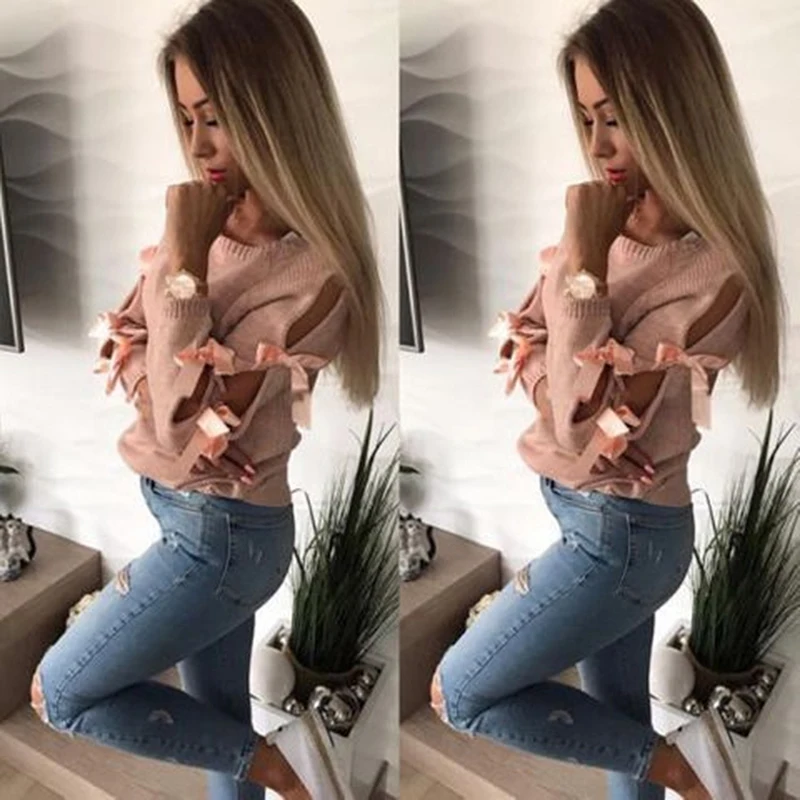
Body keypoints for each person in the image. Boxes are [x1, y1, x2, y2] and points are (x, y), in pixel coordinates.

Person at [429, 1, 784, 799]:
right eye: (588, 118)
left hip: (623, 536)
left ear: (675, 112)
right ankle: (664, 768)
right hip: (590, 516)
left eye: (616, 118)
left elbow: (578, 416)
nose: (597, 146)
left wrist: (583, 260)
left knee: (461, 693)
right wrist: (556, 359)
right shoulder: (606, 221)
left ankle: (688, 769)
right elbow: (526, 340)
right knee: (615, 719)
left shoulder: (713, 272)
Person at [28, 1, 382, 798]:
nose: (198, 145)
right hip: (192, 515)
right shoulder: (209, 222)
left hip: (221, 536)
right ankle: (266, 767)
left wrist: (182, 252)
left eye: (217, 118)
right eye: (188, 118)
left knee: (63, 693)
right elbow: (130, 340)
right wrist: (168, 317)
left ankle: (291, 767)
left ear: (276, 113)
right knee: (215, 717)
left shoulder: (314, 272)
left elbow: (180, 415)